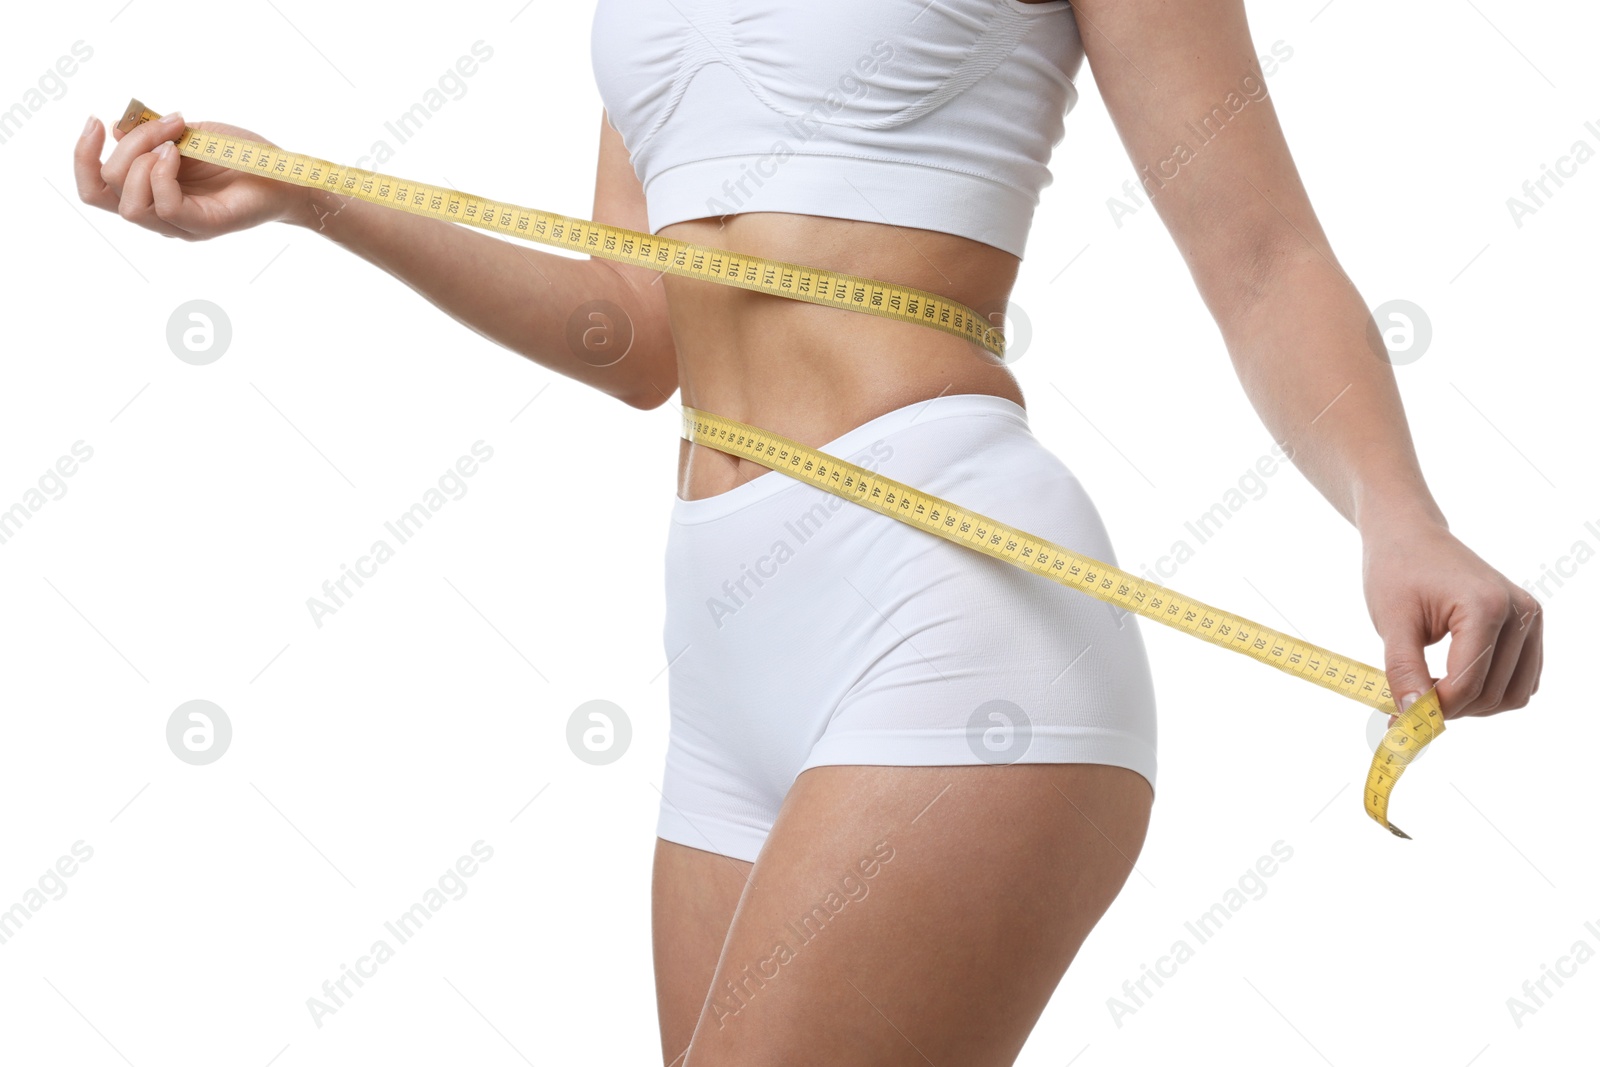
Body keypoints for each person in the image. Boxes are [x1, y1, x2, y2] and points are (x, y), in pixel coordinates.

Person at [73, 1, 1543, 1062]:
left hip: (948, 604)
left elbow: (1262, 257)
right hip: (720, 643)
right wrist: (315, 199)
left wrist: (1398, 518)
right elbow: (637, 328)